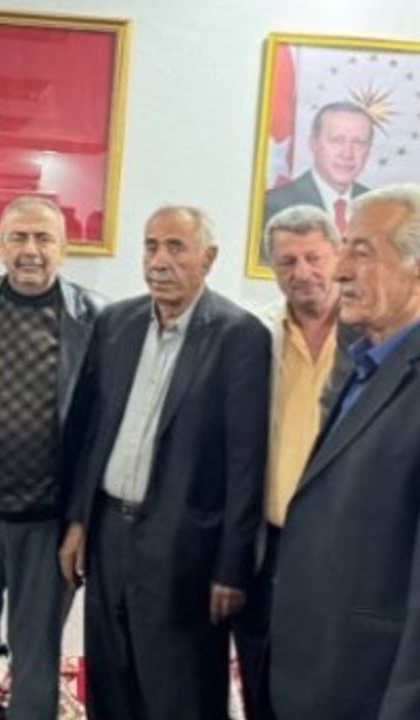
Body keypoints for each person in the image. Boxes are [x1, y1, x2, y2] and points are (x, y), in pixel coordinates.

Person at [59, 205, 270, 720]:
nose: (159, 261)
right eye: (151, 246)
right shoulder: (116, 323)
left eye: (176, 247)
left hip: (187, 549)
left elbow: (246, 465)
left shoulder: (239, 336)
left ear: (209, 258)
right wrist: (79, 520)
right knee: (111, 686)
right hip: (109, 535)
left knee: (178, 693)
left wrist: (232, 568)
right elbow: (91, 432)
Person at [0, 196, 103, 720]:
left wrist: (80, 522)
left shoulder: (97, 320)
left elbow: (99, 436)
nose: (31, 250)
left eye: (43, 238)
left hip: (48, 527)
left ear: (64, 248)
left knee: (36, 666)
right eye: (19, 238)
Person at [269, 184, 420, 720]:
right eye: (345, 248)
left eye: (363, 252)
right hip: (318, 670)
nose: (340, 271)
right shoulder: (362, 363)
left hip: (371, 686)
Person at [234, 204, 355, 720]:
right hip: (268, 544)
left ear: (338, 255)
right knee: (260, 671)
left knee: (329, 678)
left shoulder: (372, 333)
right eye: (287, 261)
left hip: (341, 544)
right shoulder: (254, 334)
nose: (302, 272)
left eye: (314, 258)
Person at [263, 101, 374, 239]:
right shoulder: (272, 206)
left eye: (359, 143)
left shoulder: (378, 207)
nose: (347, 154)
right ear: (313, 144)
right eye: (336, 140)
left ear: (368, 150)